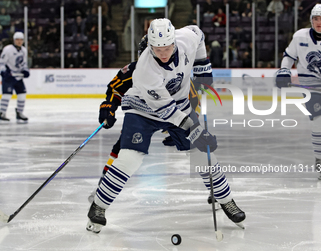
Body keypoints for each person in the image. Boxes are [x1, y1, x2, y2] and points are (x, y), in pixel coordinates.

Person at [86, 18, 246, 234]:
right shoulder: (144, 70)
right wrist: (195, 129)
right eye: (157, 49)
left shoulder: (186, 39)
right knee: (130, 158)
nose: (162, 53)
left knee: (203, 154)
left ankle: (226, 200)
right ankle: (99, 205)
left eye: (167, 47)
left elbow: (198, 33)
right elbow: (167, 112)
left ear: (174, 41)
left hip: (179, 105)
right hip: (143, 110)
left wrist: (202, 67)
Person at [276, 4, 321, 181]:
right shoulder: (300, 36)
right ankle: (320, 160)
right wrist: (284, 71)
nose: (319, 22)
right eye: (316, 19)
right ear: (311, 20)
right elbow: (289, 56)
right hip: (310, 87)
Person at [0, 31, 29, 123]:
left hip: (18, 77)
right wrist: (4, 72)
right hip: (9, 76)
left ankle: (19, 113)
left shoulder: (24, 50)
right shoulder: (8, 49)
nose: (19, 41)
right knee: (7, 95)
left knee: (22, 94)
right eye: (17, 40)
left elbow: (24, 63)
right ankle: (2, 113)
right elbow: (2, 62)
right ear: (14, 40)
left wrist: (26, 71)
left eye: (21, 40)